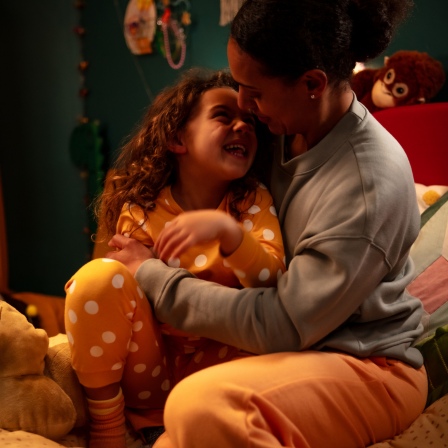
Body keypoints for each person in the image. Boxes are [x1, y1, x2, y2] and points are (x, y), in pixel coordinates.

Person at [106, 0, 429, 447]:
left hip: (367, 363)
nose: (242, 104)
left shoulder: (369, 181)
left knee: (198, 406)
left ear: (312, 84)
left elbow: (284, 325)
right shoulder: (274, 132)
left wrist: (152, 276)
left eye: (253, 92)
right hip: (289, 352)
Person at [64, 69, 286, 448]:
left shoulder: (252, 202)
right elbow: (123, 299)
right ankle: (109, 425)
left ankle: (183, 427)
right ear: (177, 138)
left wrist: (228, 233)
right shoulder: (142, 211)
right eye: (223, 116)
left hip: (224, 368)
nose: (242, 126)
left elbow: (271, 280)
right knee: (96, 278)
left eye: (249, 121)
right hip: (154, 372)